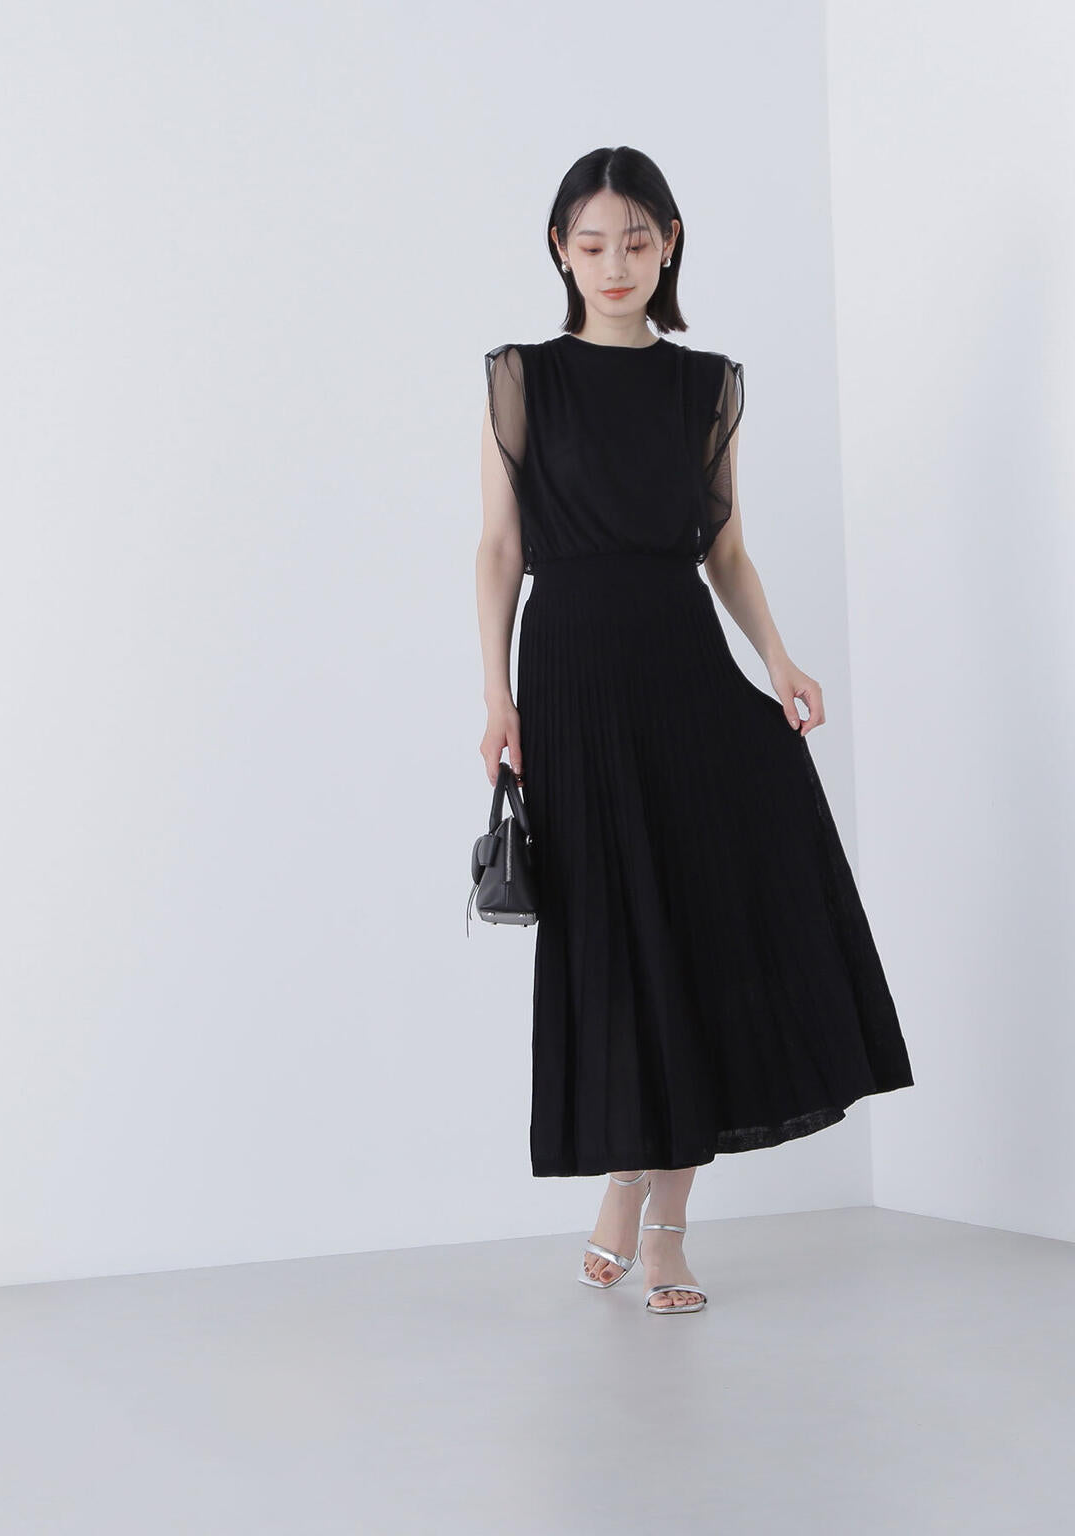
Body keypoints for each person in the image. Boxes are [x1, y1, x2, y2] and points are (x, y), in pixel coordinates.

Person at [475, 146, 915, 1315]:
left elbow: (723, 549)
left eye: (634, 240)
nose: (613, 263)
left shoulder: (704, 385)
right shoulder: (522, 378)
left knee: (695, 936)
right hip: (569, 679)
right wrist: (496, 698)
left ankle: (661, 1227)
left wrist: (778, 659)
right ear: (559, 250)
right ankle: (627, 1184)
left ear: (668, 242)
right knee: (611, 941)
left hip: (684, 674)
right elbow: (499, 549)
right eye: (589, 242)